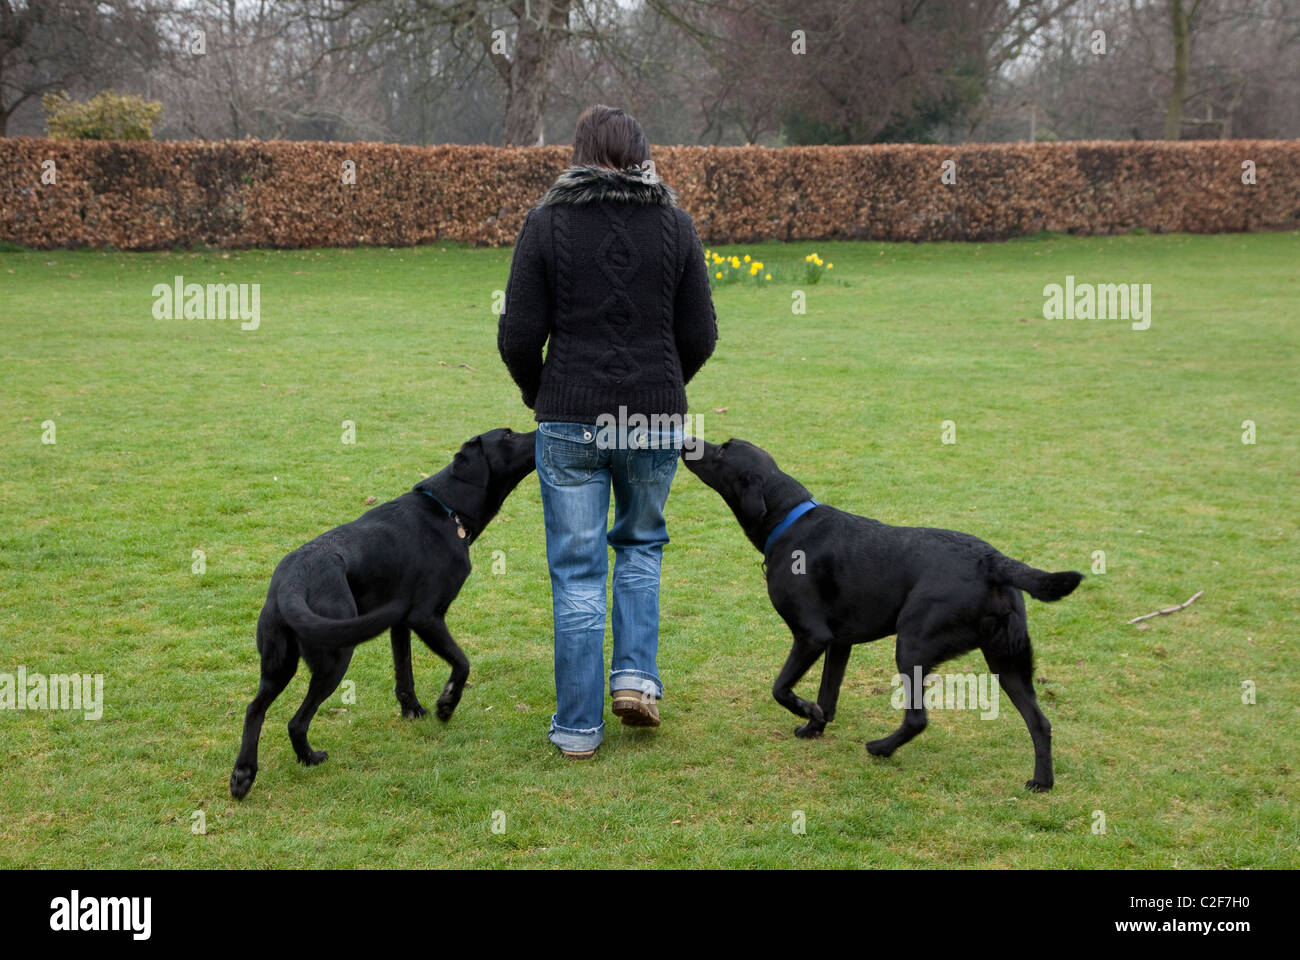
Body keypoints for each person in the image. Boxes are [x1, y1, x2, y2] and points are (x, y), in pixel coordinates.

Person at [497, 104, 718, 758]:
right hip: (651, 418)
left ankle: (575, 729)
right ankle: (634, 680)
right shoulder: (676, 226)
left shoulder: (545, 224)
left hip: (568, 419)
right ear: (643, 154)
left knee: (576, 570)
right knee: (641, 544)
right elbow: (700, 336)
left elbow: (516, 337)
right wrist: (664, 389)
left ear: (579, 152)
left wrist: (543, 394)